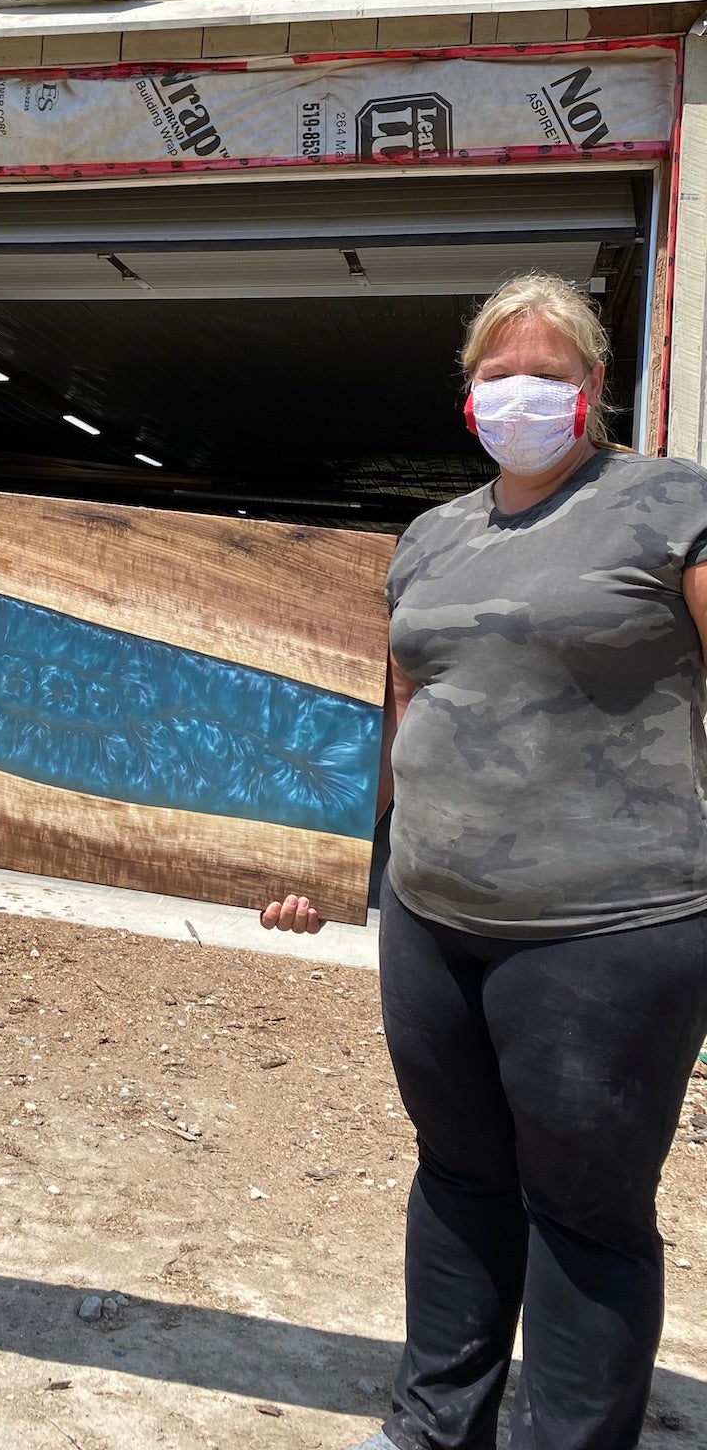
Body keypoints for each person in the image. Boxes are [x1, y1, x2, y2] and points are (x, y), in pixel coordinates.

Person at [263, 272, 707, 1450]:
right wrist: (321, 852)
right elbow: (403, 709)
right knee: (458, 1178)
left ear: (594, 387)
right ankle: (432, 1427)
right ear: (468, 396)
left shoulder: (671, 504)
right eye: (497, 375)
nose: (521, 394)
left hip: (610, 929)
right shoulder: (433, 538)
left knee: (585, 1211)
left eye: (546, 375)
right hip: (431, 913)